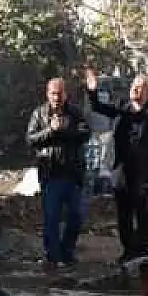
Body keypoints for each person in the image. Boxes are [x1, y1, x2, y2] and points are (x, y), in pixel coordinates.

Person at [83, 68, 148, 263]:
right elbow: (98, 107)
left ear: (147, 92)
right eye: (134, 87)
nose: (136, 90)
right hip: (122, 171)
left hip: (145, 174)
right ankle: (128, 251)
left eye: (140, 88)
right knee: (124, 214)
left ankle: (142, 252)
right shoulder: (121, 109)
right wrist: (92, 90)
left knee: (143, 214)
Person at [25, 77, 92, 271]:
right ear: (48, 94)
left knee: (76, 216)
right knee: (51, 218)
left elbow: (85, 133)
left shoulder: (75, 113)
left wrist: (66, 128)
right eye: (53, 93)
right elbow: (31, 140)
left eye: (60, 93)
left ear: (66, 94)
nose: (56, 97)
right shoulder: (39, 114)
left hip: (72, 175)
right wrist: (51, 131)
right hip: (51, 174)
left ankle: (67, 252)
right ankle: (53, 258)